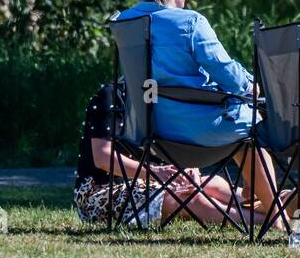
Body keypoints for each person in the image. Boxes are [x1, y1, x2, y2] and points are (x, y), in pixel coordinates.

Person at [114, 0, 288, 225]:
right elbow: (226, 72)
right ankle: (274, 212)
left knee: (244, 126)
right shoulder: (190, 23)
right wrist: (251, 86)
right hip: (201, 128)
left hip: (153, 129)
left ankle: (257, 201)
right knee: (253, 123)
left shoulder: (124, 22)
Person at [73, 80, 251, 228]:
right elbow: (103, 157)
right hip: (102, 193)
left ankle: (268, 207)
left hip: (148, 184)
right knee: (188, 197)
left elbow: (177, 146)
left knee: (213, 183)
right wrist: (155, 173)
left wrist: (190, 170)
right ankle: (261, 220)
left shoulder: (163, 98)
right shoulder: (111, 96)